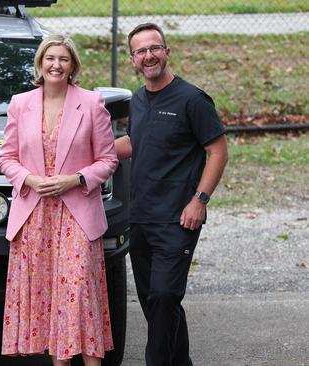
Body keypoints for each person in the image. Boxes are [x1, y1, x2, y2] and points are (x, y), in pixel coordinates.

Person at [0, 35, 118, 366]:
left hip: (77, 213)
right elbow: (7, 158)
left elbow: (108, 160)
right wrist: (29, 179)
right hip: (34, 216)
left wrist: (76, 179)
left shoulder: (92, 103)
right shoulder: (20, 103)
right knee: (50, 301)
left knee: (79, 295)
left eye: (63, 59)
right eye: (50, 58)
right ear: (40, 64)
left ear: (73, 66)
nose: (56, 64)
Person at [114, 23, 228, 366]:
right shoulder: (137, 99)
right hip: (140, 216)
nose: (148, 56)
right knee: (155, 301)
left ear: (167, 52)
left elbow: (218, 151)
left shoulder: (192, 99)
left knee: (164, 295)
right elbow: (135, 143)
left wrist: (200, 200)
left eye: (154, 48)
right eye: (140, 51)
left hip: (178, 217)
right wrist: (89, 150)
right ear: (133, 59)